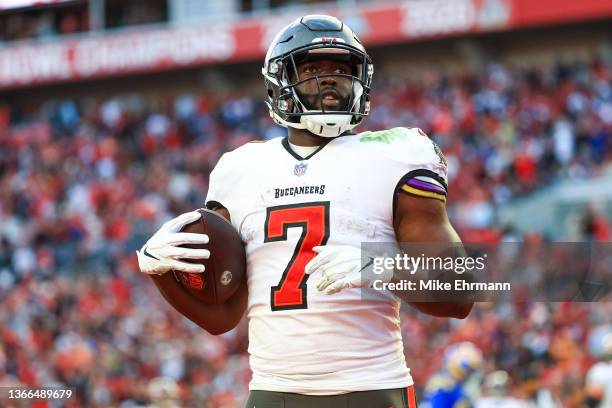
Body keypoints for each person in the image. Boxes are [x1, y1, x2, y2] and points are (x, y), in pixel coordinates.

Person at [137, 14, 473, 407]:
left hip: (370, 388)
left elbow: (459, 292)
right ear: (280, 81)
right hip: (273, 391)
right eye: (313, 68)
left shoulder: (395, 154)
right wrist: (158, 271)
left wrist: (378, 267)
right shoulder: (239, 169)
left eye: (340, 69)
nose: (330, 79)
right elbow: (222, 317)